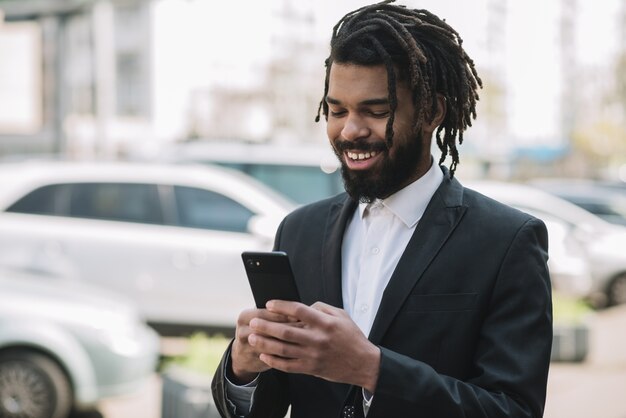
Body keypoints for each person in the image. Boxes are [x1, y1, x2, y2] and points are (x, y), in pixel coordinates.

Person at [212, 1, 552, 417]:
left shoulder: (507, 241)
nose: (350, 130)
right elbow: (270, 403)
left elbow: (514, 410)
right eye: (337, 111)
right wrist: (243, 370)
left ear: (431, 112)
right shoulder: (299, 231)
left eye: (376, 111)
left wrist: (373, 369)